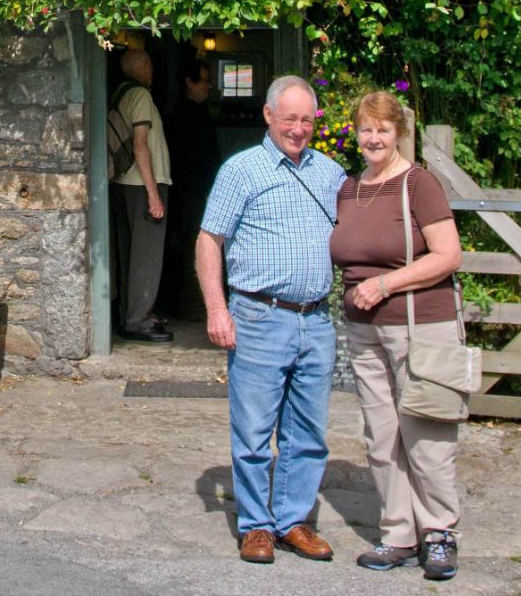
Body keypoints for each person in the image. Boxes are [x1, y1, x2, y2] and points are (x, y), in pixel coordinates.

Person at [196, 75, 346, 565]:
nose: (299, 129)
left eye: (306, 120)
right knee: (255, 432)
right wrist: (217, 309)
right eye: (290, 119)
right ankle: (256, 526)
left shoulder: (330, 173)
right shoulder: (242, 170)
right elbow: (208, 241)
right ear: (268, 116)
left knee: (308, 433)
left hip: (316, 320)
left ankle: (293, 520)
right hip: (259, 316)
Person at [328, 90, 466, 581]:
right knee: (381, 435)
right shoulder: (350, 187)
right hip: (365, 332)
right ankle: (398, 535)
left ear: (399, 133)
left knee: (425, 431)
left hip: (420, 326)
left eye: (383, 129)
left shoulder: (418, 184)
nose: (373, 138)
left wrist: (385, 283)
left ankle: (440, 533)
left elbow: (448, 256)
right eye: (366, 129)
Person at [112, 48, 173, 343]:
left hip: (124, 184)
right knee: (146, 257)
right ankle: (138, 320)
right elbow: (140, 146)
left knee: (128, 254)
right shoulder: (141, 97)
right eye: (149, 64)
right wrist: (153, 194)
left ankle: (129, 314)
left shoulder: (120, 93)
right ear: (145, 66)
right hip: (142, 184)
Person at [156, 59, 222, 321]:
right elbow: (193, 160)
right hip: (192, 193)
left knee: (193, 245)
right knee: (194, 246)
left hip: (194, 192)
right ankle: (193, 305)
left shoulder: (191, 112)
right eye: (204, 81)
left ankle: (194, 303)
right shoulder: (187, 115)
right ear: (189, 83)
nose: (208, 87)